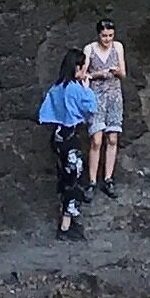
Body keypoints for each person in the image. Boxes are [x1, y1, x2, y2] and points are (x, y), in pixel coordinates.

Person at [37, 64, 97, 237]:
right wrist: (86, 89)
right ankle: (66, 224)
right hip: (70, 137)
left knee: (65, 177)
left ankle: (66, 222)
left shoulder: (57, 87)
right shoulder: (74, 89)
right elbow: (91, 108)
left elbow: (47, 110)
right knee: (73, 177)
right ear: (77, 68)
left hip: (58, 136)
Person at [81, 18, 127, 192]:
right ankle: (92, 180)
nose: (107, 39)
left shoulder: (118, 47)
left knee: (113, 138)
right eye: (104, 36)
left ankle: (108, 177)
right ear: (98, 35)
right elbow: (83, 74)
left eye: (110, 36)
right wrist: (97, 74)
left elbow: (123, 73)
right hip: (96, 96)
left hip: (114, 95)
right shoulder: (90, 49)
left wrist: (116, 72)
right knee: (96, 140)